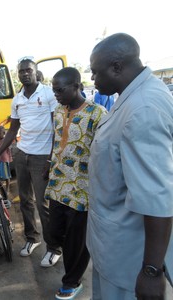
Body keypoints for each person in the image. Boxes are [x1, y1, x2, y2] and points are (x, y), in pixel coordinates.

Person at [87, 32, 173, 300]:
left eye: (95, 72)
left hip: (129, 258)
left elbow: (157, 197)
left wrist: (150, 272)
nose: (92, 79)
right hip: (114, 243)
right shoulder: (132, 96)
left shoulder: (142, 108)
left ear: (116, 67)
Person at [44, 67, 107, 299]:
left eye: (59, 90)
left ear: (76, 86)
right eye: (53, 91)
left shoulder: (97, 113)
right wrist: (49, 164)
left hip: (82, 189)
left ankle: (72, 281)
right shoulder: (58, 111)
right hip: (58, 183)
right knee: (54, 232)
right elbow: (57, 137)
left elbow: (105, 152)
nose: (56, 95)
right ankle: (67, 257)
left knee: (76, 240)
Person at [0, 57, 62, 264]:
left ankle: (54, 248)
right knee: (25, 200)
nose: (25, 73)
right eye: (21, 71)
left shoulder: (49, 94)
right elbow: (13, 130)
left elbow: (57, 129)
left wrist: (51, 160)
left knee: (43, 204)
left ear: (35, 72)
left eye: (28, 70)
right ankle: (33, 239)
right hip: (22, 154)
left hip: (42, 157)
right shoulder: (18, 99)